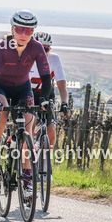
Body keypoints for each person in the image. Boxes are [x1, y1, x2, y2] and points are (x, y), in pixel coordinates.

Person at [0, 10, 52, 197]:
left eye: (28, 31)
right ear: (13, 29)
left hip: (22, 88)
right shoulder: (2, 46)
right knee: (2, 114)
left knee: (28, 131)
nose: (24, 34)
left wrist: (45, 98)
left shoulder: (37, 48)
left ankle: (28, 179)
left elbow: (46, 79)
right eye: (20, 29)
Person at [29, 31, 69, 170]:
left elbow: (61, 83)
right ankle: (27, 152)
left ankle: (46, 160)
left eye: (45, 49)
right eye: (38, 48)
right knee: (31, 121)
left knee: (51, 128)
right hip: (28, 93)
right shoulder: (25, 58)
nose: (42, 52)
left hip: (46, 94)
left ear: (49, 49)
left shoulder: (54, 59)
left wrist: (64, 103)